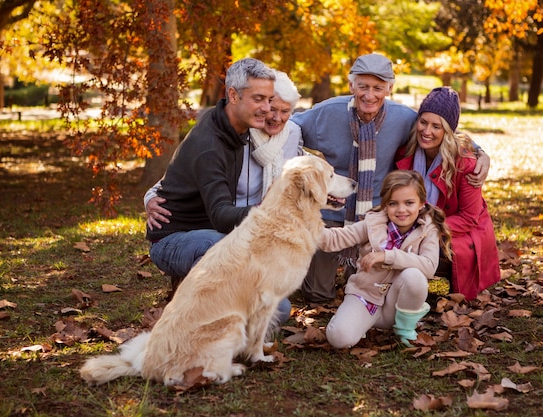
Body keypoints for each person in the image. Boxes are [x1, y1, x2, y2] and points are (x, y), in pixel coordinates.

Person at [291, 52, 491, 304]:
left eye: (378, 88)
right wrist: (299, 162)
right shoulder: (327, 112)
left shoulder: (403, 118)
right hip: (331, 214)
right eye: (362, 86)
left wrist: (480, 152)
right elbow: (289, 126)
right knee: (317, 295)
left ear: (389, 88)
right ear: (351, 84)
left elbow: (444, 127)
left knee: (367, 291)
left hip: (376, 220)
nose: (369, 95)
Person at [145, 64, 303, 322]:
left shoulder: (236, 127)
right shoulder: (210, 144)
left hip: (215, 235)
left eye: (270, 99)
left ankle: (234, 318)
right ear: (233, 96)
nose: (267, 109)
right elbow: (220, 214)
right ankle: (200, 325)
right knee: (219, 247)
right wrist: (272, 210)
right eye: (258, 99)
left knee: (279, 309)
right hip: (173, 240)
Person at [319, 170, 452, 348]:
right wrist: (306, 228)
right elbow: (336, 238)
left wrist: (387, 256)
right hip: (365, 296)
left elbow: (428, 266)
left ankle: (404, 328)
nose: (401, 210)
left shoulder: (428, 229)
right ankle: (360, 321)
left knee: (415, 276)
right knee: (338, 338)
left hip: (397, 305)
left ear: (421, 203)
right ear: (385, 205)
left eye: (409, 203)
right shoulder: (373, 224)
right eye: (393, 203)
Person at [395, 86, 501, 300]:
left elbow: (469, 218)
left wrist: (426, 229)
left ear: (448, 131)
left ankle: (425, 285)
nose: (427, 131)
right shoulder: (405, 154)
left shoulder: (466, 164)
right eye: (423, 122)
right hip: (415, 225)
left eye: (437, 126)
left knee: (409, 257)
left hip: (456, 235)